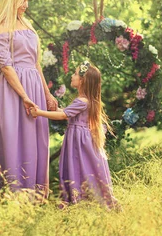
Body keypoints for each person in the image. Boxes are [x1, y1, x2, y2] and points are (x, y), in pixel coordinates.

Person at [0, 0, 58, 196]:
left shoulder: (27, 25)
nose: (26, 3)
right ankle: (12, 192)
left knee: (36, 138)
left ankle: (35, 193)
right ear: (12, 0)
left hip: (34, 85)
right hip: (13, 90)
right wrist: (24, 96)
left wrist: (46, 93)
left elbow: (35, 63)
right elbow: (5, 67)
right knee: (13, 137)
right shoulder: (2, 28)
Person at [29, 61, 120, 209]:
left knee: (79, 165)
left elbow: (64, 116)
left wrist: (39, 113)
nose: (72, 75)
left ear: (83, 80)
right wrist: (54, 108)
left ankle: (79, 197)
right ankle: (78, 197)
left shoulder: (82, 101)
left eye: (75, 73)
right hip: (77, 138)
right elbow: (66, 112)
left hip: (79, 141)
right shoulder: (84, 100)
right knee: (79, 165)